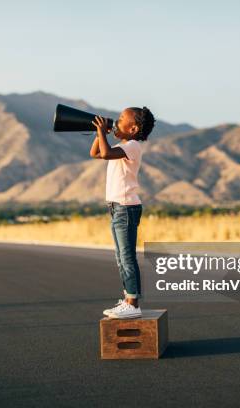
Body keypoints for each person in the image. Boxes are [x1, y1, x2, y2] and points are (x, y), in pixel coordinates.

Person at [89, 107, 155, 319]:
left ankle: (133, 303)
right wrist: (101, 132)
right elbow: (96, 153)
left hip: (126, 208)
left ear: (133, 128)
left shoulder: (134, 146)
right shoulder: (124, 146)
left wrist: (102, 131)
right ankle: (128, 298)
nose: (115, 123)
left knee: (127, 257)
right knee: (120, 257)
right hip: (118, 208)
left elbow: (106, 153)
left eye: (119, 120)